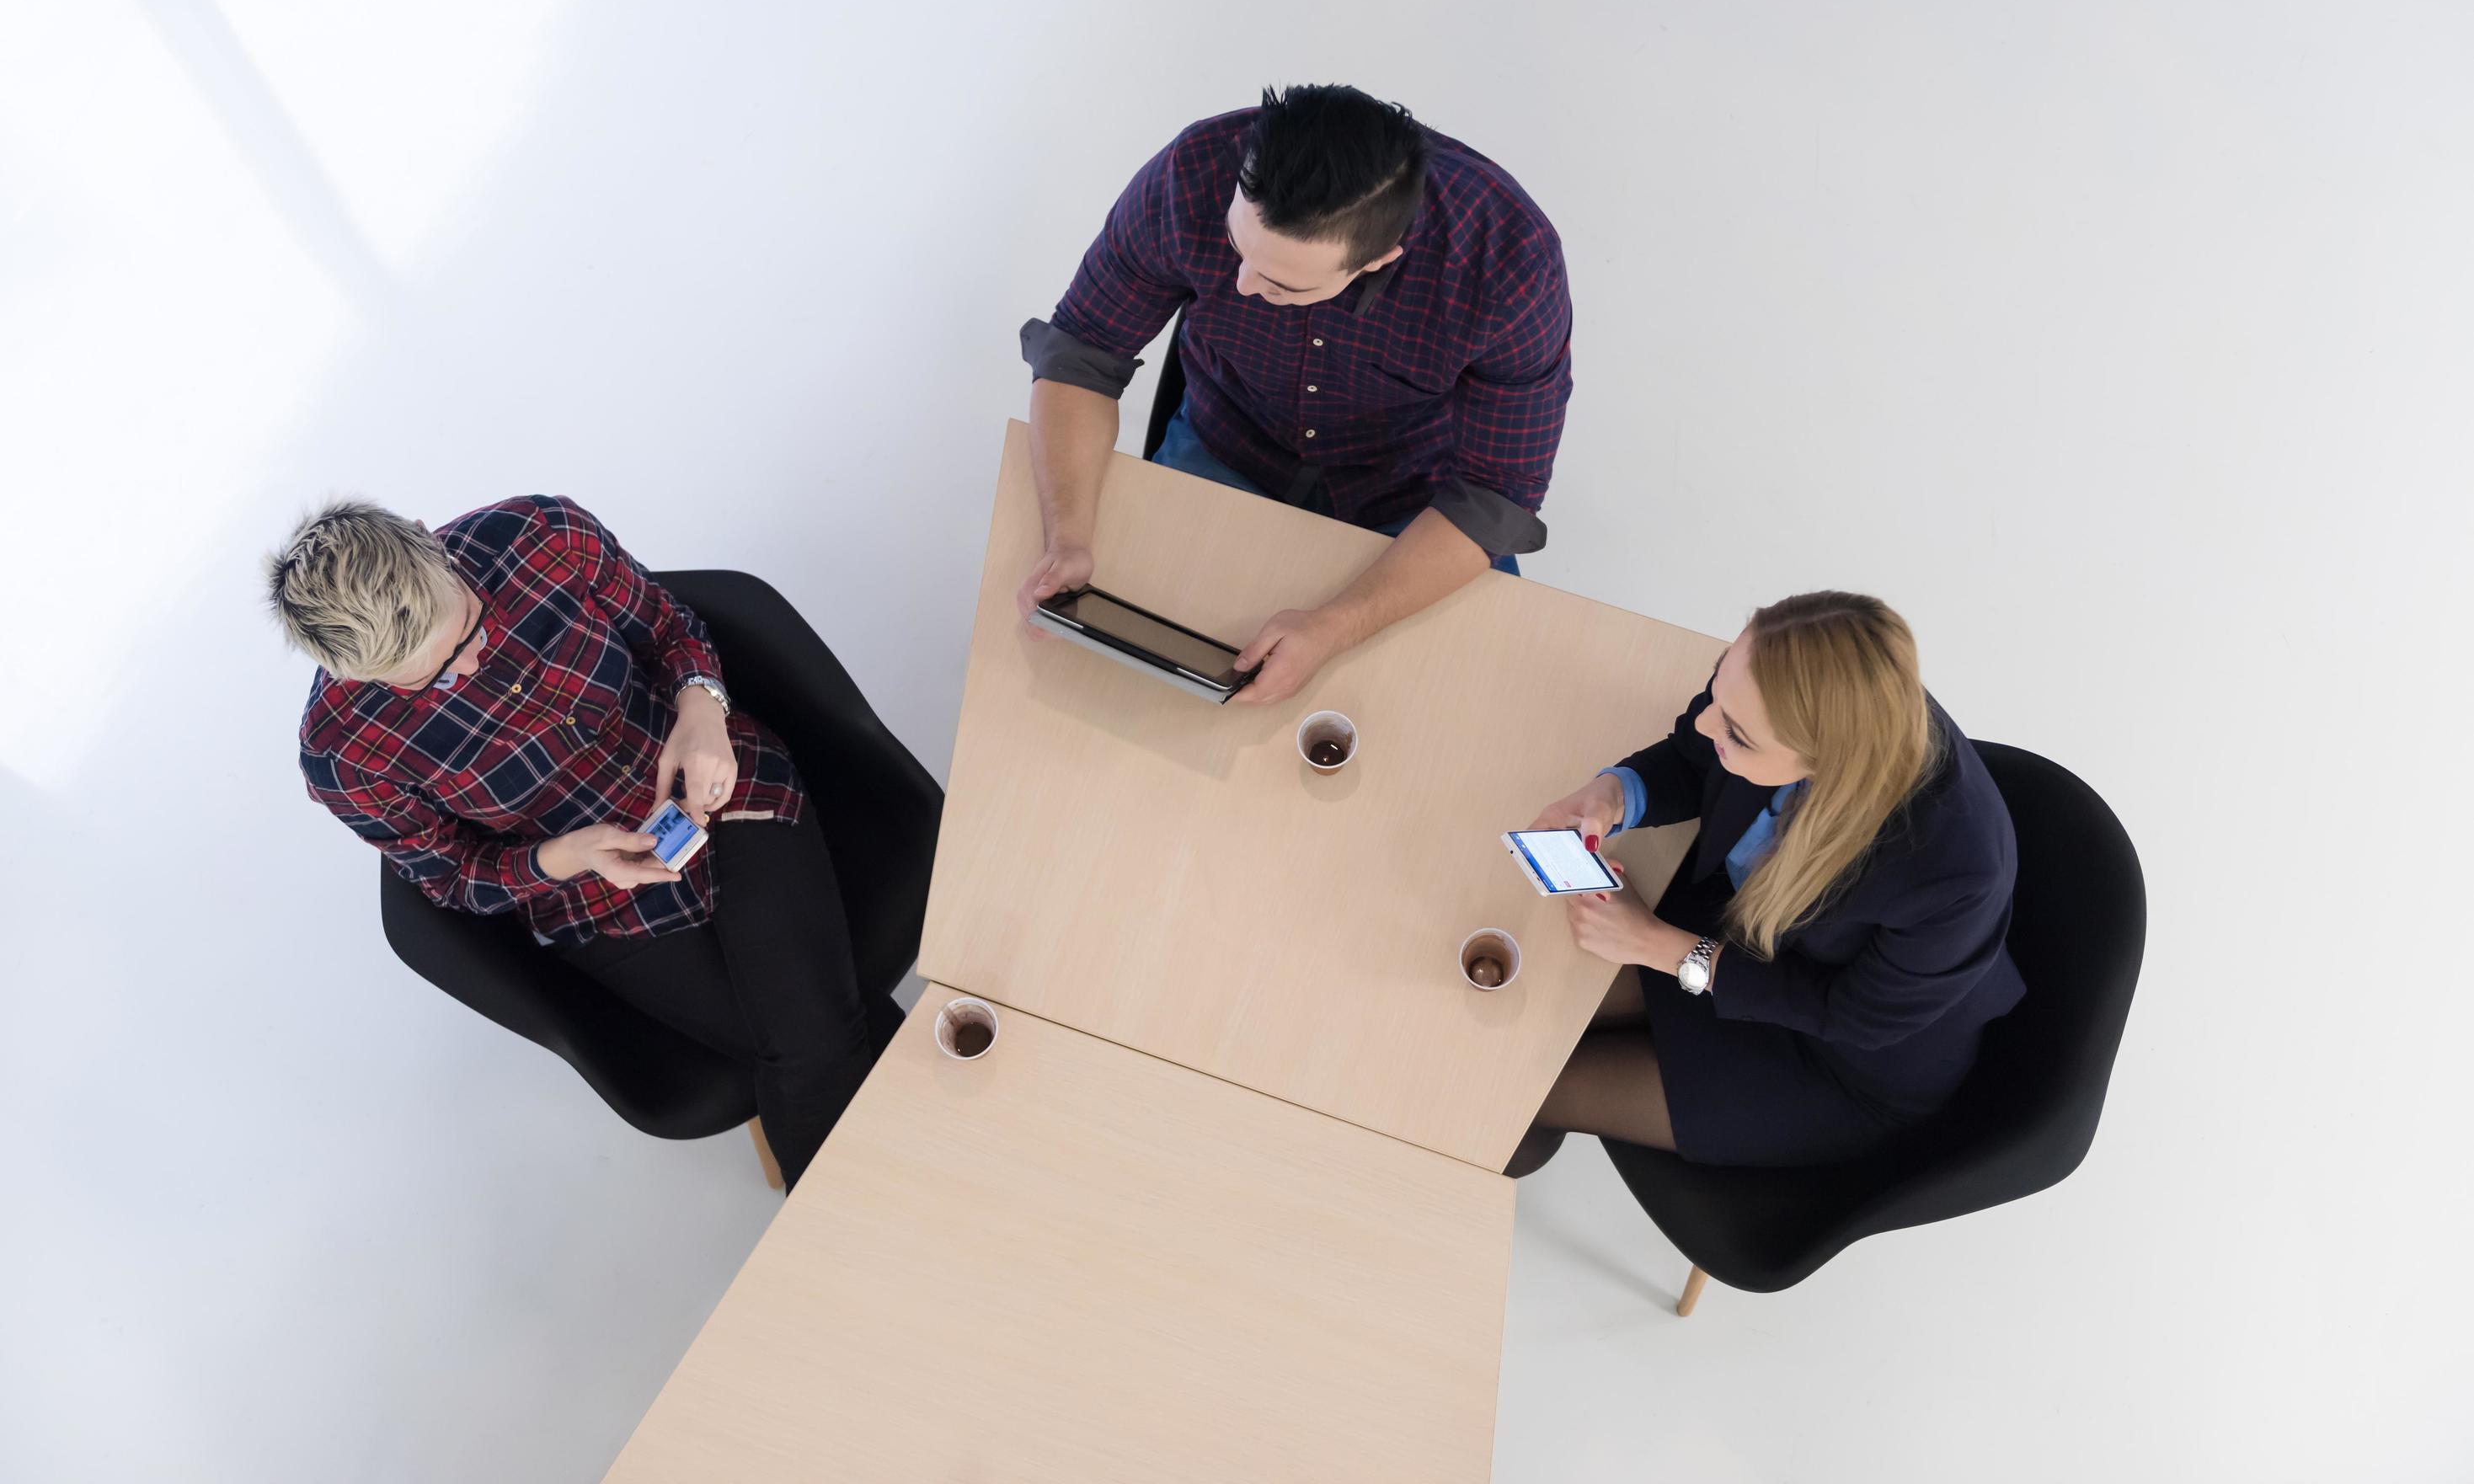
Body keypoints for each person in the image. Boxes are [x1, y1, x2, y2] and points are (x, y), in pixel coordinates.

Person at [269, 496, 910, 1189]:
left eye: (466, 628)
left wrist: (701, 706)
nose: (468, 664)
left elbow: (670, 627)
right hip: (598, 899)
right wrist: (564, 857)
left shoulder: (542, 535)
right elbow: (449, 878)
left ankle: (858, 1267)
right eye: (429, 677)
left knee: (807, 1048)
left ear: (432, 542)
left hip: (724, 794)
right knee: (817, 1038)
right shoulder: (344, 755)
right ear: (353, 675)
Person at [1015, 83, 1574, 706]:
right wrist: (1066, 537)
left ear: (1378, 260)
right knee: (1134, 694)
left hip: (1412, 497)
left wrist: (1340, 625)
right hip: (1229, 442)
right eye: (1235, 246)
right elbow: (1081, 356)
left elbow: (1492, 499)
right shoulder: (1190, 172)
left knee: (1450, 706)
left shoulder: (1508, 263)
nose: (1242, 285)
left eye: (1280, 283)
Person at [1508, 591, 2024, 1175]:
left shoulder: (1953, 876)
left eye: (1737, 733)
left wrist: (1657, 945)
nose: (1705, 724)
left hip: (1831, 1056)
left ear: (1828, 760)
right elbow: (1691, 757)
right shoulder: (1786, 682)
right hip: (1742, 938)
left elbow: (1853, 1016)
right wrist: (1611, 796)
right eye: (1718, 683)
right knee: (1521, 1020)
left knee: (1526, 1096)